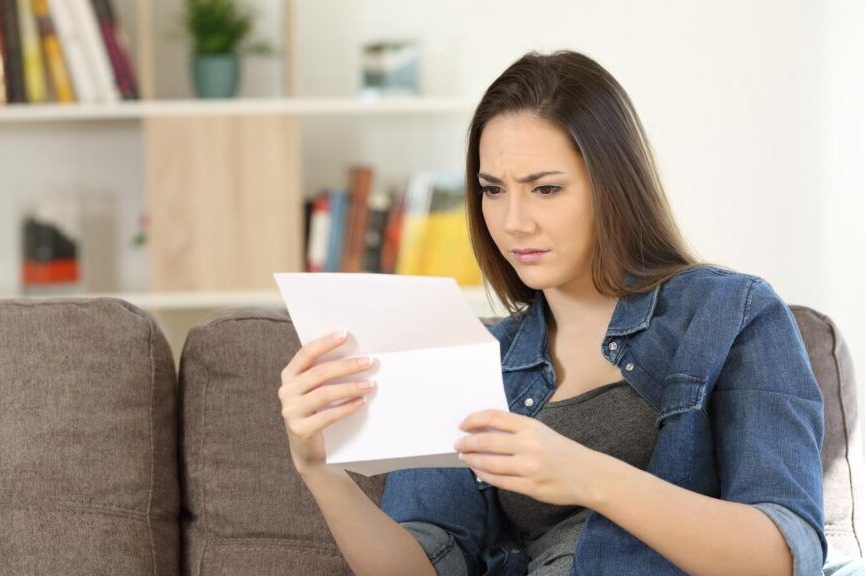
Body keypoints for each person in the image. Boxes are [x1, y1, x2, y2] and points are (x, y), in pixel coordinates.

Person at [278, 50, 862, 575]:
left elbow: (782, 557)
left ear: (612, 185)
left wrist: (586, 474)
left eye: (546, 188)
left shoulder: (730, 315)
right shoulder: (473, 357)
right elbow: (428, 562)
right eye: (493, 189)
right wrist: (321, 472)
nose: (513, 222)